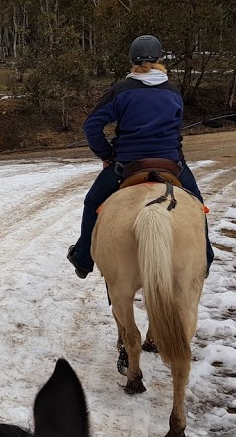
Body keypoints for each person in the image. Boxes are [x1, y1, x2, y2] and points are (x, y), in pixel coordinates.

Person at [67, 34, 214, 279]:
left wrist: (106, 155)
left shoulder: (121, 90)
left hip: (126, 165)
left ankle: (83, 260)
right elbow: (176, 133)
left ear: (132, 60)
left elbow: (91, 126)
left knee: (93, 202)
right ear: (159, 59)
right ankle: (205, 260)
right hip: (171, 163)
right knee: (197, 204)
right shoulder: (173, 91)